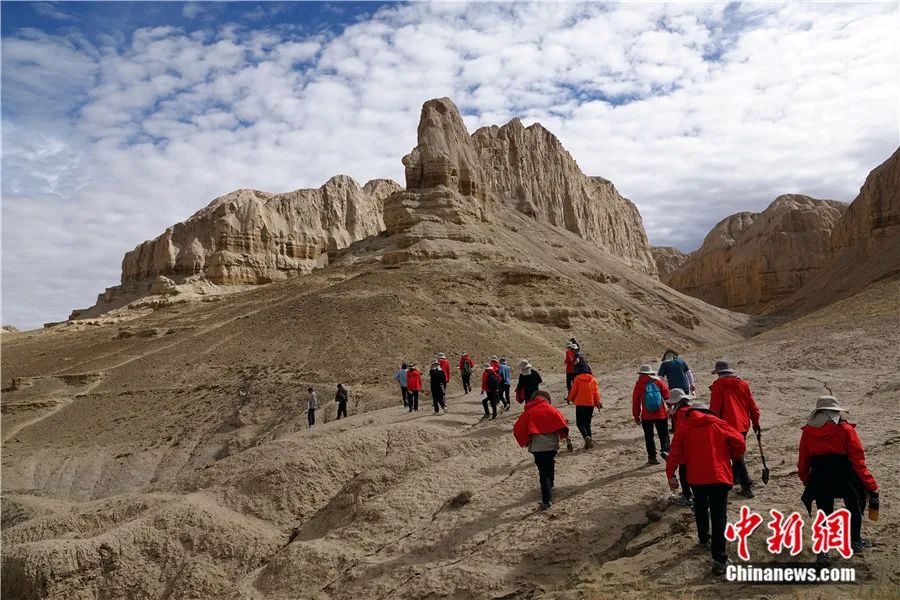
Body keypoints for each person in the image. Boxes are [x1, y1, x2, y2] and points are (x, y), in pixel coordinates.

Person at [665, 401, 746, 575]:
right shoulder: (719, 423)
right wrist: (732, 455)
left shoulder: (685, 427)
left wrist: (670, 474)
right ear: (707, 412)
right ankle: (719, 559)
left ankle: (703, 538)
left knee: (700, 506)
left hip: (696, 477)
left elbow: (675, 452)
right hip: (719, 475)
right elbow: (739, 440)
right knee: (719, 516)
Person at [798, 395, 879, 556]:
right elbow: (858, 461)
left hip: (820, 476)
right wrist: (871, 485)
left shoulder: (808, 432)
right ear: (836, 412)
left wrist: (807, 480)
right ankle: (854, 541)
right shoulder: (846, 430)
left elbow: (803, 461)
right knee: (854, 507)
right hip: (845, 476)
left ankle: (823, 550)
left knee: (824, 512)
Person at [513, 390, 573, 509]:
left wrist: (525, 440)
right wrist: (566, 439)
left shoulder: (529, 412)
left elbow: (517, 429)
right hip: (552, 446)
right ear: (546, 399)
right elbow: (563, 424)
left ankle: (546, 500)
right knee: (550, 466)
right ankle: (550, 488)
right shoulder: (552, 410)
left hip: (537, 447)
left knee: (543, 472)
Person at [709, 360, 760, 498]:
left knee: (736, 456)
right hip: (743, 424)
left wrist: (712, 426)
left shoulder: (718, 386)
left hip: (726, 426)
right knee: (737, 452)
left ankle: (746, 485)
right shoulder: (743, 384)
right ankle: (736, 478)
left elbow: (714, 410)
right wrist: (755, 422)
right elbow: (753, 407)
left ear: (718, 373)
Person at [632, 364, 670, 465]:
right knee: (664, 434)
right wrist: (671, 408)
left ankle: (652, 457)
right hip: (660, 414)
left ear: (641, 374)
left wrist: (636, 416)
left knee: (649, 437)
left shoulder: (639, 384)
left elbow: (636, 401)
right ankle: (665, 450)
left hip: (646, 416)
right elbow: (667, 396)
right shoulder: (658, 382)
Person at [666, 388, 694, 506]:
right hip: (697, 445)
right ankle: (690, 493)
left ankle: (687, 496)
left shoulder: (681, 413)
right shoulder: (691, 409)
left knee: (684, 472)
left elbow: (680, 434)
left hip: (686, 447)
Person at [566, 362, 602, 449]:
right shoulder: (592, 379)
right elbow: (596, 393)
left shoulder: (577, 379)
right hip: (590, 404)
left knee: (579, 423)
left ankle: (586, 437)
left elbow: (573, 390)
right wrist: (598, 403)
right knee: (587, 424)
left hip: (580, 404)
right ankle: (590, 442)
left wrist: (569, 398)